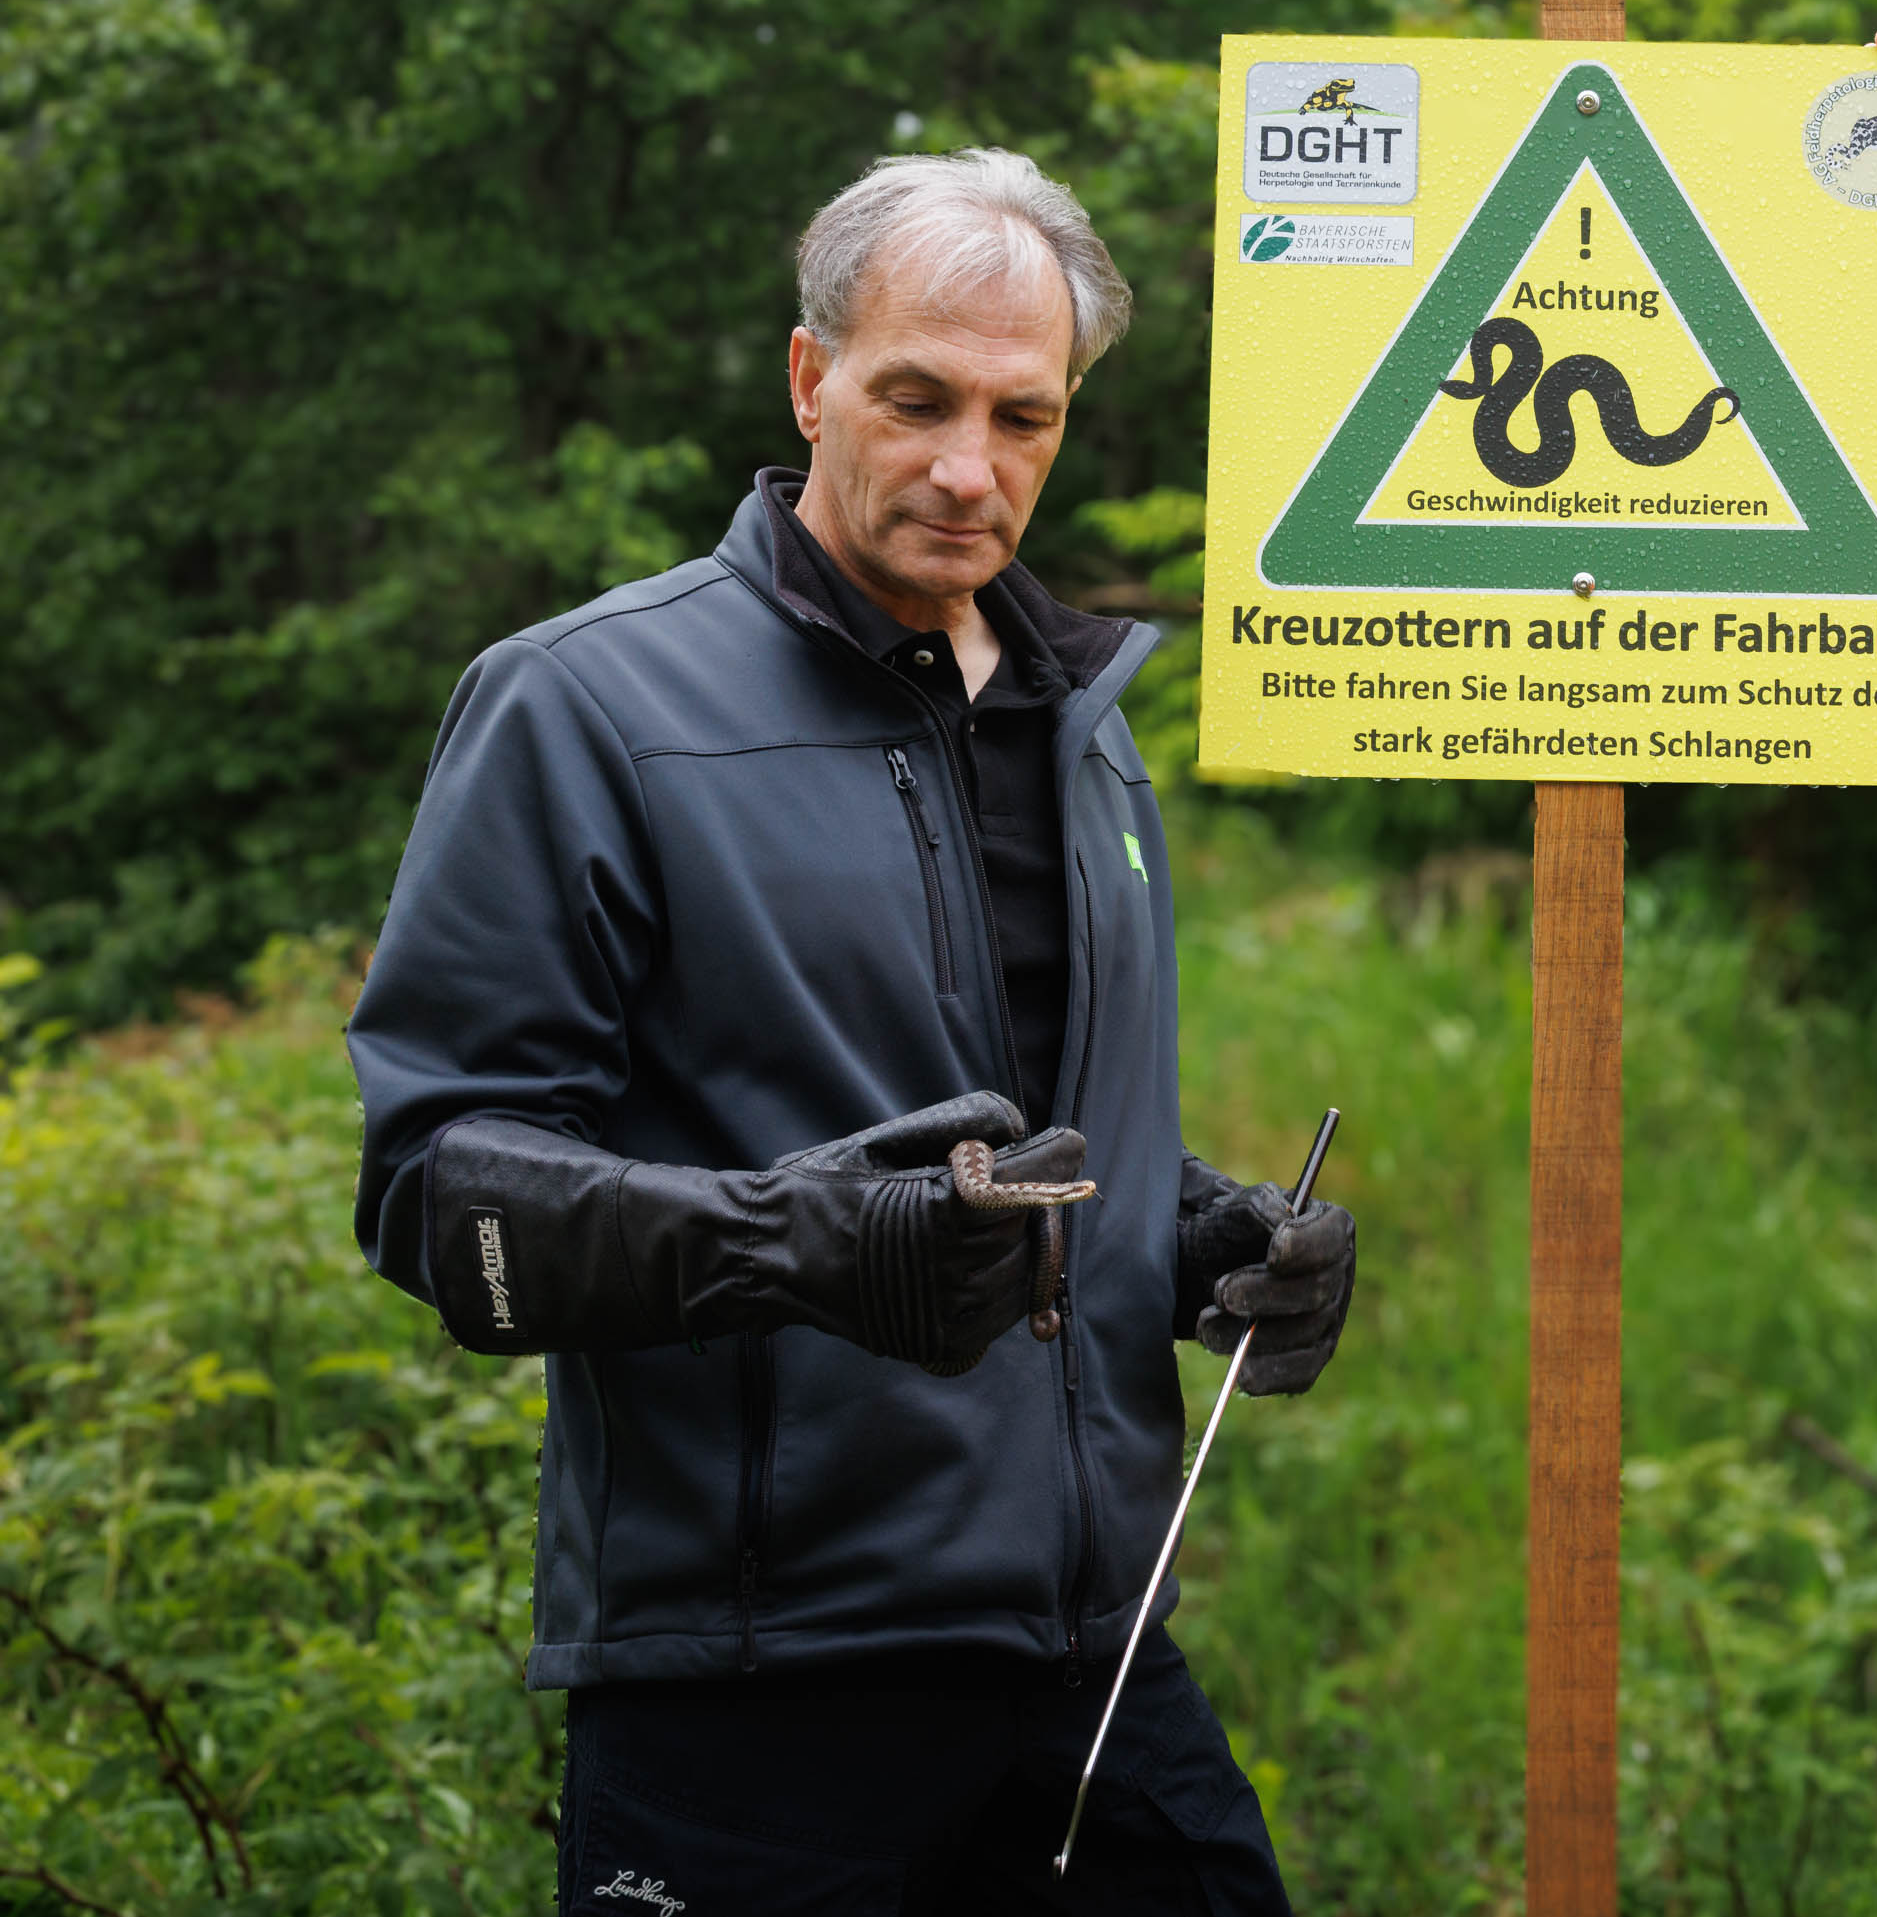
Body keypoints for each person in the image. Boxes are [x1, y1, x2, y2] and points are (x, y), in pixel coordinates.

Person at [348, 148, 1357, 1914]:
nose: (972, 469)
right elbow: (440, 1201)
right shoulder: (583, 705)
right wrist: (797, 1246)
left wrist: (1189, 1235)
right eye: (918, 397)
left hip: (1093, 1663)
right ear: (813, 378)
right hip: (754, 1694)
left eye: (1023, 416)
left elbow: (1023, 1141)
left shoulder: (1081, 728)